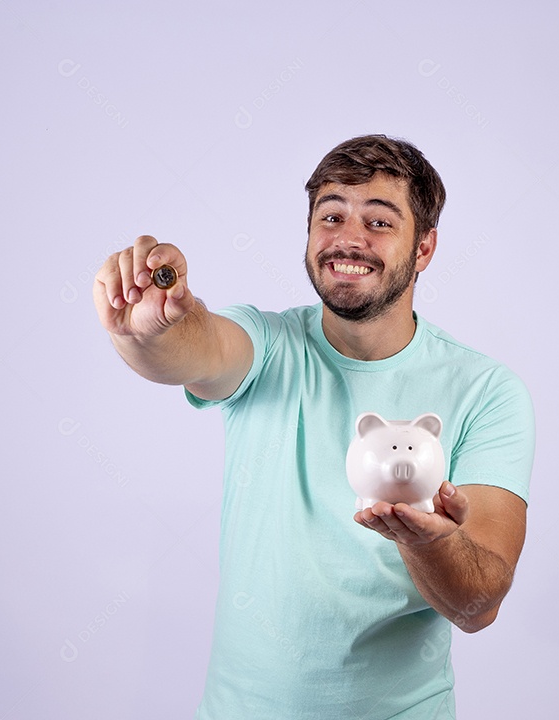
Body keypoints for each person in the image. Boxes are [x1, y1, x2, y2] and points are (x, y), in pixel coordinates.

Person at [93, 134, 535, 719]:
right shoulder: (269, 345)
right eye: (331, 215)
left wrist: (430, 541)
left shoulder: (486, 391)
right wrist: (147, 329)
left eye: (379, 222)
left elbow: (478, 604)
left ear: (424, 248)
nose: (349, 238)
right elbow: (192, 347)